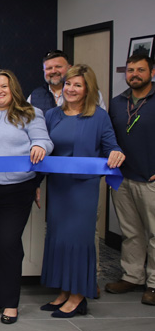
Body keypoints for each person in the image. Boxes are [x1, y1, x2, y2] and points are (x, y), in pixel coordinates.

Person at [41, 64, 124, 317]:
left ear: (88, 88)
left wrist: (116, 153)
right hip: (58, 188)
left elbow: (111, 146)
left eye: (78, 85)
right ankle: (64, 292)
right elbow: (42, 148)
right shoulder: (53, 115)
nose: (71, 89)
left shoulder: (98, 116)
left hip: (83, 189)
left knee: (78, 241)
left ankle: (78, 297)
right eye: (68, 84)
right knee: (59, 240)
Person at [0, 69, 53, 324]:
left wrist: (39, 146)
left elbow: (44, 141)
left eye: (3, 87)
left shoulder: (30, 113)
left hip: (16, 189)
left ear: (13, 88)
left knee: (8, 243)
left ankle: (11, 303)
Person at [106, 54, 155, 305]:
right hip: (123, 178)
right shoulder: (117, 103)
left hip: (151, 178)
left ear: (152, 72)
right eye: (131, 70)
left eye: (140, 70)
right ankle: (132, 276)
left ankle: (154, 284)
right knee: (131, 231)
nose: (134, 74)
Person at [28, 50, 106, 113]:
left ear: (69, 68)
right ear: (44, 71)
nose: (54, 71)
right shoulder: (34, 96)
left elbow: (102, 122)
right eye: (49, 68)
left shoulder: (90, 92)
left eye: (58, 67)